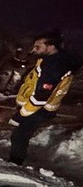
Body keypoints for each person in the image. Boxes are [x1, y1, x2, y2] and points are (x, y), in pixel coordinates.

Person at [9, 31, 80, 165]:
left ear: (51, 46)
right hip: (35, 106)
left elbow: (41, 96)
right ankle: (15, 162)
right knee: (19, 135)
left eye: (38, 47)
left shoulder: (54, 66)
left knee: (19, 136)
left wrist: (20, 115)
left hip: (40, 108)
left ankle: (14, 166)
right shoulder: (51, 60)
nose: (34, 49)